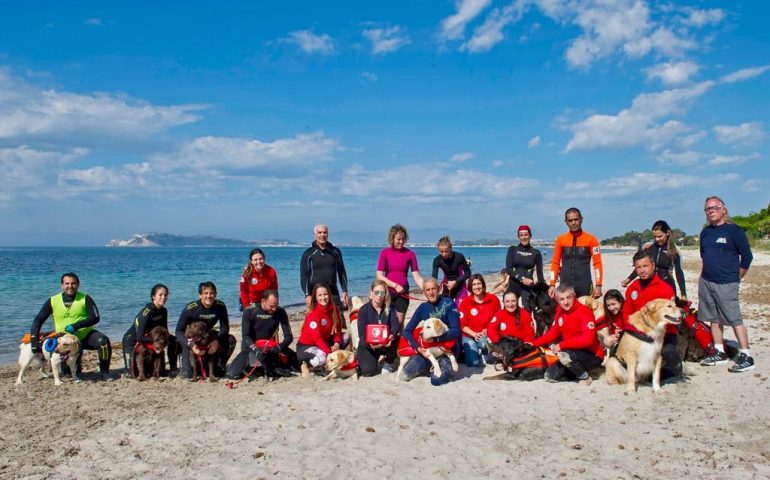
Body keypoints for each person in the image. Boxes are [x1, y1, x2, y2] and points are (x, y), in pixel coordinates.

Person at [697, 196, 754, 372]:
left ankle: (746, 355)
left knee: (734, 318)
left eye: (714, 207)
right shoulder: (705, 232)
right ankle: (719, 351)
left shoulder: (734, 230)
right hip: (707, 281)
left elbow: (747, 257)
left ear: (723, 209)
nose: (711, 211)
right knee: (713, 318)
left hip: (727, 282)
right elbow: (703, 255)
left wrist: (737, 277)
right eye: (707, 209)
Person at [29, 272, 114, 380]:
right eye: (67, 283)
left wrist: (77, 326)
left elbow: (95, 317)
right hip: (64, 340)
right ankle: (71, 368)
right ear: (62, 285)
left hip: (84, 336)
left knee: (103, 341)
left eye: (73, 283)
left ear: (78, 284)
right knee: (70, 374)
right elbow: (38, 320)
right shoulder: (53, 300)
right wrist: (33, 339)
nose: (70, 286)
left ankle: (105, 372)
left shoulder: (85, 298)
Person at [531, 284, 604, 385]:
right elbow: (553, 333)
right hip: (571, 353)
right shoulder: (559, 313)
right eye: (562, 299)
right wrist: (533, 344)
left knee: (566, 354)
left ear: (574, 296)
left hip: (592, 355)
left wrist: (561, 345)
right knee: (550, 375)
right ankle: (583, 371)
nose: (566, 302)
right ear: (557, 300)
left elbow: (588, 340)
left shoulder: (585, 312)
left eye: (568, 298)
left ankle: (585, 377)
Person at [623, 250, 680, 379]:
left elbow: (672, 317)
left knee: (667, 351)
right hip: (640, 331)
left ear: (653, 266)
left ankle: (678, 370)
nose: (642, 270)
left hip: (664, 332)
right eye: (638, 267)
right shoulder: (632, 288)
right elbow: (627, 313)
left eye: (645, 266)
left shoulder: (665, 288)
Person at [400, 278, 460, 385]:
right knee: (405, 375)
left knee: (437, 381)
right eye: (428, 290)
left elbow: (456, 331)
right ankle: (428, 365)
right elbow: (407, 331)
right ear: (424, 292)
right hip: (429, 350)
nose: (431, 292)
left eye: (433, 289)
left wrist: (436, 338)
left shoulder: (449, 303)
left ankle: (444, 366)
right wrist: (417, 348)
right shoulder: (422, 308)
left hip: (447, 349)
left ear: (439, 289)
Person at [227, 290, 296, 379]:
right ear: (263, 301)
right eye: (271, 306)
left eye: (276, 305)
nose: (274, 309)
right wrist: (256, 351)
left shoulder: (280, 312)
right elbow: (245, 336)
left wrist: (279, 347)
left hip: (270, 348)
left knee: (296, 364)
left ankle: (267, 368)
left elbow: (289, 337)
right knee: (232, 374)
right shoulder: (250, 311)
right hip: (251, 348)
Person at [175, 281, 237, 379]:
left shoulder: (220, 306)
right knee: (188, 375)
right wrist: (191, 345)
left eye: (212, 293)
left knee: (231, 340)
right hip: (192, 339)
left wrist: (216, 341)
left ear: (215, 294)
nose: (209, 296)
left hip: (208, 336)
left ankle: (220, 364)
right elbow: (178, 331)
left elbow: (225, 328)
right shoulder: (191, 308)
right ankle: (187, 364)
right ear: (200, 295)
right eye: (206, 293)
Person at [122, 284, 179, 378]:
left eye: (165, 295)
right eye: (160, 295)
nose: (163, 297)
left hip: (151, 338)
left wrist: (163, 342)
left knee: (174, 340)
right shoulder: (146, 313)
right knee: (131, 375)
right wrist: (157, 342)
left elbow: (165, 331)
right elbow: (139, 337)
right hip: (132, 340)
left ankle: (173, 369)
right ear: (153, 296)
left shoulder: (164, 311)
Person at [621, 220, 686, 299]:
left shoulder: (674, 251)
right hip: (650, 285)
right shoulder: (649, 248)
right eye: (655, 237)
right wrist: (629, 279)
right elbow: (641, 266)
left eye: (660, 236)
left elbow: (679, 272)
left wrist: (683, 294)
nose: (657, 239)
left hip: (667, 286)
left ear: (667, 233)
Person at [548, 208, 603, 299]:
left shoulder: (591, 240)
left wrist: (599, 285)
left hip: (584, 285)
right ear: (566, 222)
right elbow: (555, 263)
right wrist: (552, 284)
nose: (573, 223)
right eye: (570, 220)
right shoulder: (560, 240)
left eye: (576, 219)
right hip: (565, 285)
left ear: (581, 219)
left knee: (586, 312)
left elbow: (597, 263)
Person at [376, 224, 425, 326]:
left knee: (399, 323)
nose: (401, 242)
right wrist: (395, 285)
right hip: (387, 292)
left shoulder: (410, 254)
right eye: (398, 239)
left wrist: (427, 289)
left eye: (403, 239)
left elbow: (417, 276)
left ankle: (399, 341)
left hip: (402, 293)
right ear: (392, 238)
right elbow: (379, 275)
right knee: (386, 321)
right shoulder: (384, 253)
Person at [296, 283, 345, 377]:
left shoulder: (334, 309)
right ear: (315, 298)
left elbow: (338, 330)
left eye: (325, 294)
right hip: (307, 346)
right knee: (322, 357)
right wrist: (329, 353)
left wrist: (337, 343)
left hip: (323, 341)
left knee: (345, 337)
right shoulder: (313, 314)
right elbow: (317, 338)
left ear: (329, 295)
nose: (323, 297)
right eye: (320, 295)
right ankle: (306, 365)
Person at [300, 224, 349, 312]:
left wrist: (345, 291)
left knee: (338, 321)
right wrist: (307, 294)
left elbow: (341, 272)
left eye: (325, 232)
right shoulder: (309, 253)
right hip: (315, 294)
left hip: (333, 293)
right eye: (319, 232)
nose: (322, 235)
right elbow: (304, 276)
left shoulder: (335, 252)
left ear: (328, 234)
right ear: (315, 235)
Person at [356, 279, 400, 376]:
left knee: (397, 338)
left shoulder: (390, 307)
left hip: (386, 344)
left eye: (382, 293)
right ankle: (372, 360)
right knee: (368, 371)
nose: (379, 295)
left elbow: (395, 325)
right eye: (376, 292)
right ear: (371, 293)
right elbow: (361, 334)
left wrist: (391, 336)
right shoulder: (363, 310)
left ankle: (388, 362)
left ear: (385, 295)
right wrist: (371, 345)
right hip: (369, 346)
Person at [458, 274, 500, 367]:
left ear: (483, 285)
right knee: (474, 363)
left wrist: (489, 329)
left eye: (479, 284)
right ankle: (470, 351)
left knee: (483, 343)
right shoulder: (465, 302)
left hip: (486, 335)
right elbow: (461, 324)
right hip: (469, 335)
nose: (477, 287)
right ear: (470, 287)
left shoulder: (493, 299)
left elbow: (499, 318)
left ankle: (484, 352)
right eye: (474, 285)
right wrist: (474, 334)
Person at [505, 225, 544, 308]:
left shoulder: (536, 253)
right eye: (521, 235)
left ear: (530, 236)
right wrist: (522, 279)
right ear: (518, 237)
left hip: (527, 288)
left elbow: (540, 274)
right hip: (513, 285)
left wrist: (544, 289)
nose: (524, 237)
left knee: (527, 313)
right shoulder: (512, 249)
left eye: (526, 234)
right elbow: (508, 269)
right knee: (507, 310)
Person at [431, 236, 471, 302]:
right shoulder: (437, 260)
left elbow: (468, 274)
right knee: (445, 308)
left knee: (460, 309)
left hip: (460, 284)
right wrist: (434, 289)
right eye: (441, 251)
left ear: (451, 249)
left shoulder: (459, 257)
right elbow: (434, 279)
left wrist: (456, 282)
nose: (444, 254)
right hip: (447, 286)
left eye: (446, 251)